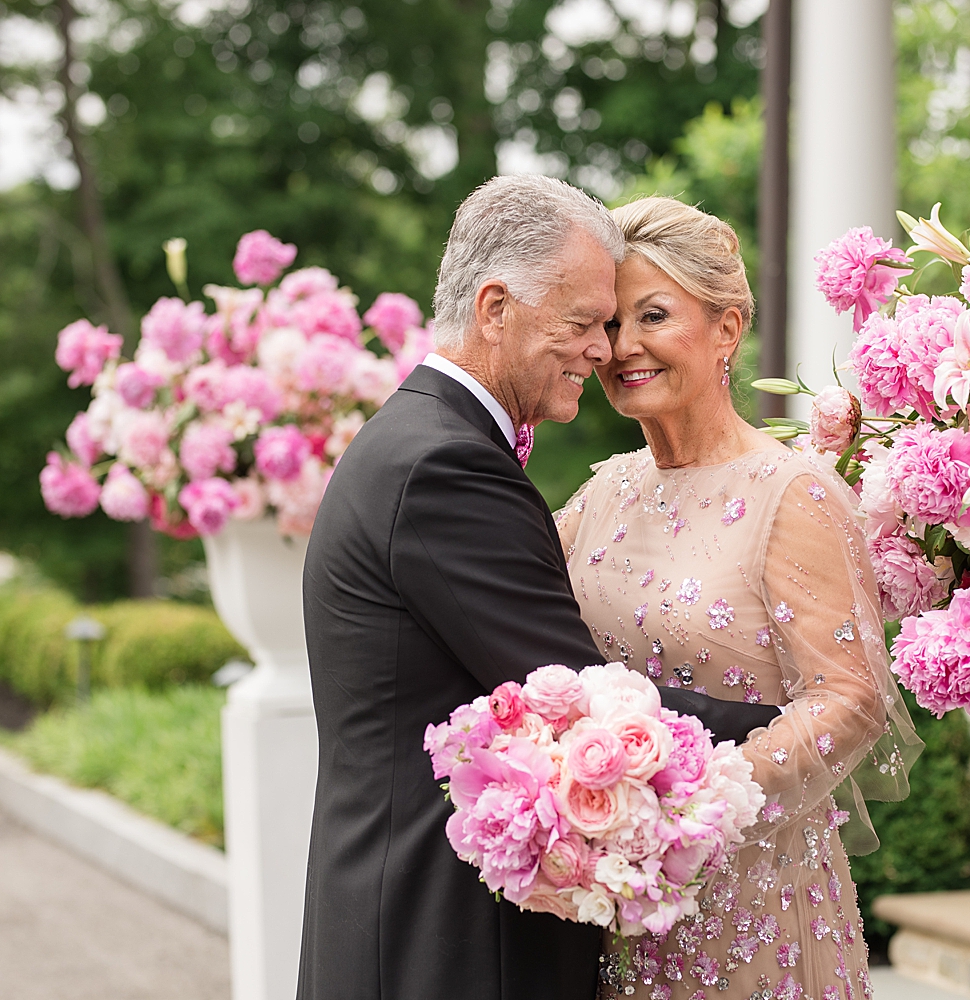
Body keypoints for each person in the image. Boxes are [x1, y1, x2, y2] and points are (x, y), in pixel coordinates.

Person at [297, 176, 782, 1000]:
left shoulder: (419, 441)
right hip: (440, 946)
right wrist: (792, 721)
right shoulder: (443, 465)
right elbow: (582, 699)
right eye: (586, 321)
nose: (604, 350)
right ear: (494, 308)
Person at [557, 196, 921, 1000]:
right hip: (611, 894)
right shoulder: (603, 493)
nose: (625, 347)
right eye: (610, 325)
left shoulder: (791, 491)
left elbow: (851, 698)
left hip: (751, 890)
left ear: (727, 327)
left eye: (654, 315)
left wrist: (690, 810)